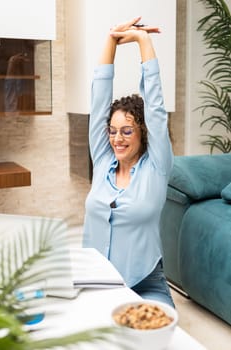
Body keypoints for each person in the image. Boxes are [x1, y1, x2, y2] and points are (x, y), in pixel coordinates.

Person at [83, 17, 175, 307]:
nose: (117, 139)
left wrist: (142, 41)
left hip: (145, 283)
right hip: (93, 282)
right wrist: (111, 40)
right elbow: (99, 98)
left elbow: (156, 109)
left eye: (127, 130)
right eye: (112, 131)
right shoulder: (102, 159)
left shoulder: (157, 167)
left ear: (143, 132)